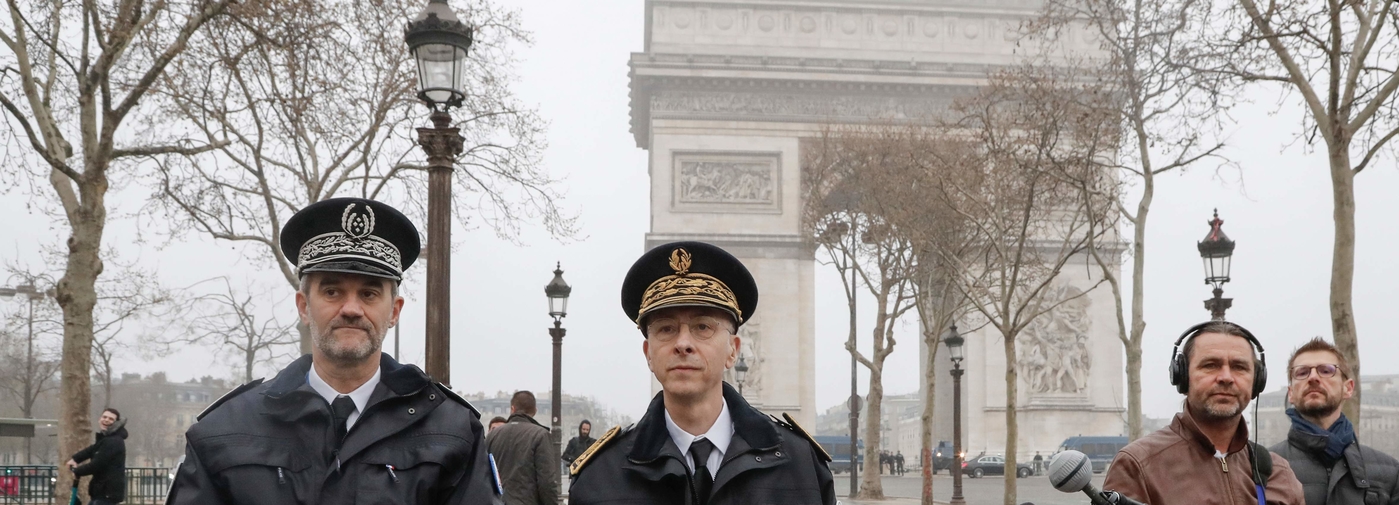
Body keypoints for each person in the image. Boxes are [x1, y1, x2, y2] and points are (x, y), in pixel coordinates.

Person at [167, 198, 501, 505]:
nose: (352, 308)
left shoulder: (453, 432)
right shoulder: (223, 432)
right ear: (303, 306)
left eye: (369, 294)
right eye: (332, 291)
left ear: (395, 311)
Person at [568, 241, 836, 505]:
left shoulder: (805, 466)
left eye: (703, 327)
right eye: (666, 329)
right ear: (649, 353)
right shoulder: (596, 477)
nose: (683, 343)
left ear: (733, 349)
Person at [1104, 321, 1303, 505]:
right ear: (1182, 377)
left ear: (1257, 382)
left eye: (1239, 367)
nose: (1226, 377)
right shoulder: (1138, 465)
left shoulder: (1279, 472)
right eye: (1210, 365)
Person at [1270, 337, 1399, 505]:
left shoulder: (1390, 472)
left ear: (1348, 388)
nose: (1313, 377)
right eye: (1302, 372)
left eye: (1326, 370)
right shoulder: (1263, 468)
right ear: (1291, 393)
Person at [486, 391, 558, 505]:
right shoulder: (540, 435)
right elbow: (546, 482)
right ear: (535, 410)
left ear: (512, 409)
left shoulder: (492, 436)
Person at [68, 408, 127, 505]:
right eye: (104, 417)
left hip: (106, 494)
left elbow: (96, 464)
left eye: (111, 419)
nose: (106, 420)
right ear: (99, 419)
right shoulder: (106, 439)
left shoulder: (113, 441)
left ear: (116, 423)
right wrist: (76, 458)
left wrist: (77, 471)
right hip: (101, 493)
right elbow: (92, 449)